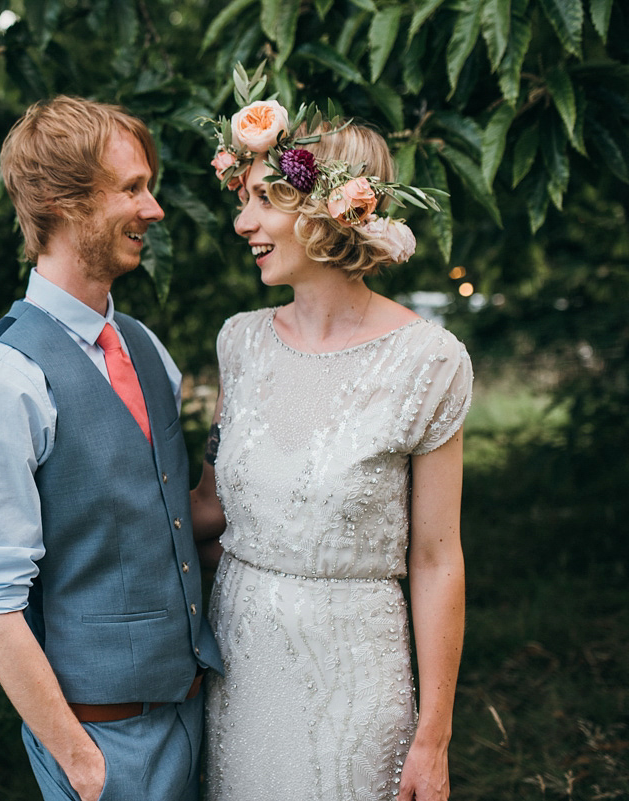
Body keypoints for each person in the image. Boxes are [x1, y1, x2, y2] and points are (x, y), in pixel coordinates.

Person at [191, 82, 472, 801]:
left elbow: (438, 559)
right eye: (240, 197)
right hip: (241, 671)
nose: (241, 221)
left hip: (357, 679)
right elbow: (211, 509)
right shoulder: (240, 343)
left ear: (322, 208)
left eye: (261, 199)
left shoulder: (429, 361)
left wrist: (433, 738)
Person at [0, 95, 221, 801]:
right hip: (103, 742)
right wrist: (81, 762)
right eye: (132, 188)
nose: (154, 209)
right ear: (60, 202)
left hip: (197, 716)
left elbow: (166, 521)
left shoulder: (147, 349)